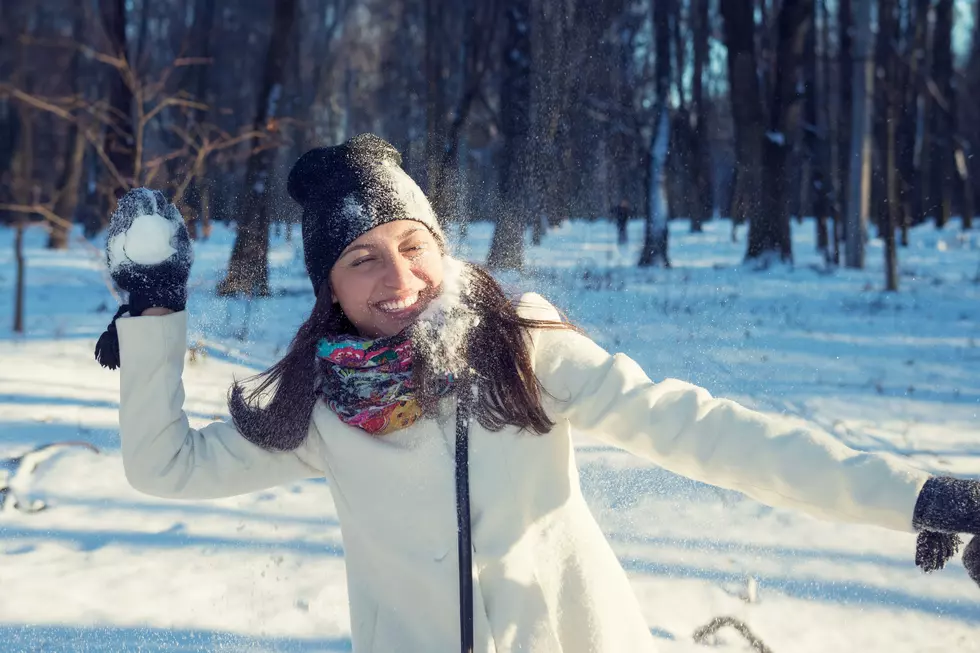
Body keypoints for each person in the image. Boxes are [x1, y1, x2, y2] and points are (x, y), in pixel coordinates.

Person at [96, 134, 979, 653]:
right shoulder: (321, 411)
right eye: (361, 258)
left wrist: (911, 494)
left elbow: (711, 433)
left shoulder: (518, 354)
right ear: (329, 286)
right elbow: (163, 466)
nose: (396, 276)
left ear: (441, 249)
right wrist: (154, 312)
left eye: (412, 244)